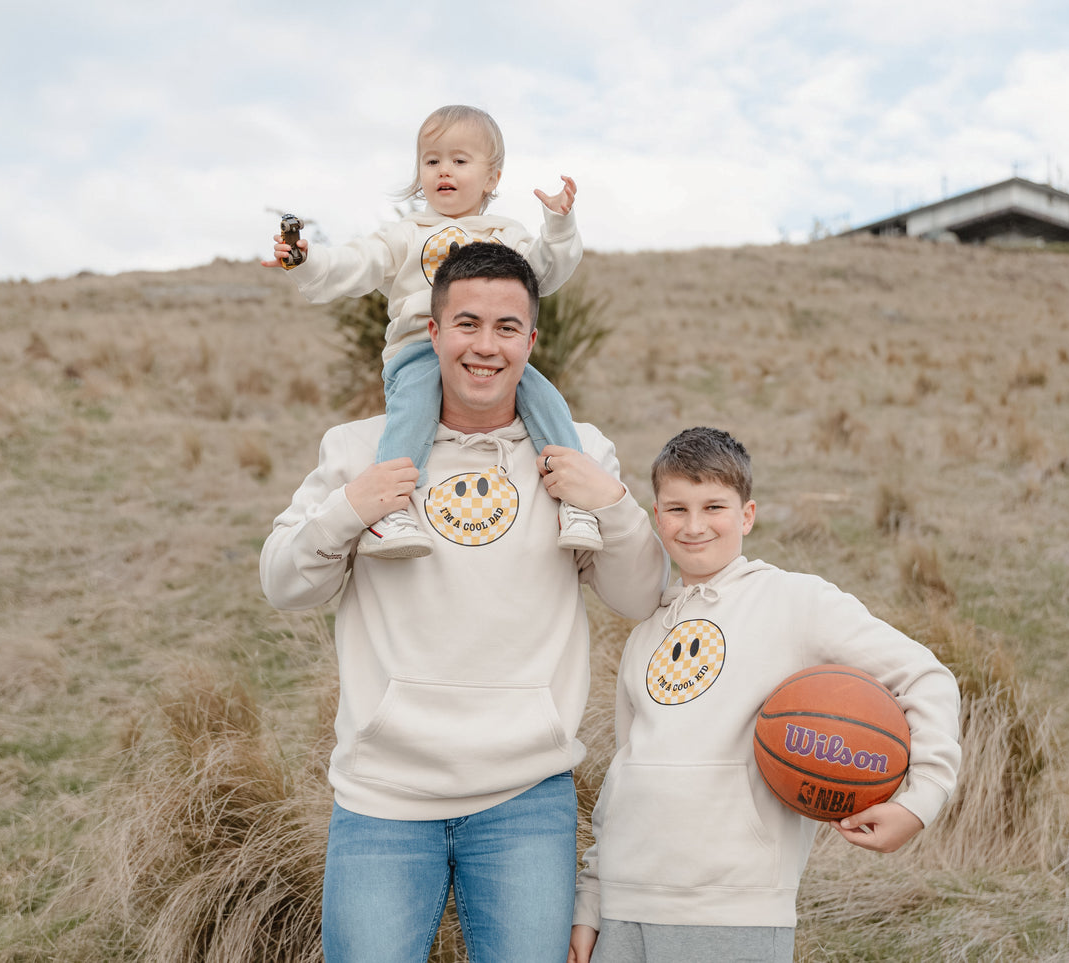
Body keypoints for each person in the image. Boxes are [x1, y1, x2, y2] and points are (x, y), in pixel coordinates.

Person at [260, 242, 669, 963]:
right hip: (383, 795)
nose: (486, 345)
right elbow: (284, 585)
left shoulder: (579, 451)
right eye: (468, 323)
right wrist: (348, 509)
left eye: (507, 327)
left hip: (525, 797)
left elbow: (639, 595)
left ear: (531, 341)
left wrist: (612, 504)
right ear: (433, 334)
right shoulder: (359, 450)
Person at [569, 427, 962, 963]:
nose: (694, 525)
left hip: (735, 909)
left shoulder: (795, 602)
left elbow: (925, 677)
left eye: (714, 506)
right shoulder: (647, 631)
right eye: (676, 509)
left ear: (747, 514)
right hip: (624, 907)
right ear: (656, 517)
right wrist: (591, 900)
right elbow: (624, 774)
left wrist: (921, 800)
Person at [261, 103, 598, 560]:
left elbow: (547, 271)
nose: (444, 171)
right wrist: (308, 258)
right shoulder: (405, 234)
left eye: (460, 161)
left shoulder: (506, 233)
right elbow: (354, 264)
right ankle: (391, 513)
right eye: (432, 160)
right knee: (412, 410)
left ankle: (577, 503)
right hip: (418, 351)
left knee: (546, 401)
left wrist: (558, 223)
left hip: (490, 353)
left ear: (492, 178)